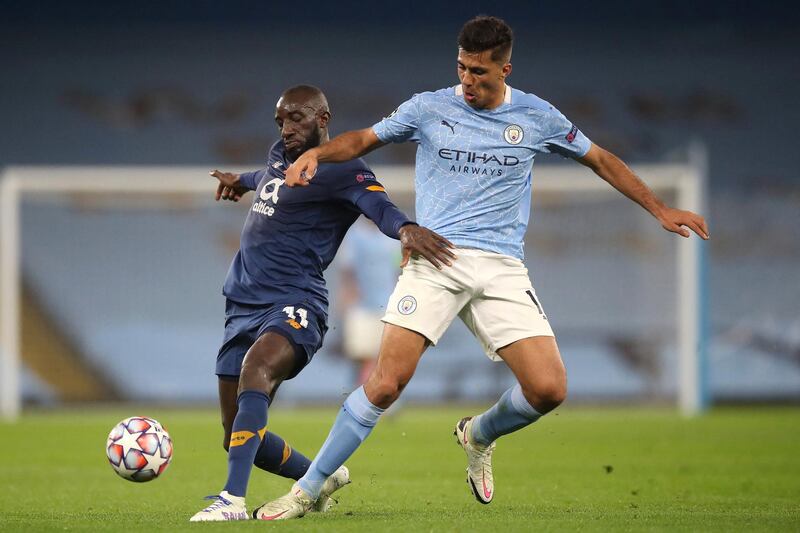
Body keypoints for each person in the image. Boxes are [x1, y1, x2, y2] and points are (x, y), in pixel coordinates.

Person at [255, 16, 709, 520]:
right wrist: (317, 153)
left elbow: (600, 159)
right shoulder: (429, 107)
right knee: (385, 383)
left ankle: (478, 434)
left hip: (501, 269)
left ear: (505, 68)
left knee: (548, 389)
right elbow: (364, 138)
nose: (468, 81)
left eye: (480, 73)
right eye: (462, 69)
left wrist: (660, 208)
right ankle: (307, 491)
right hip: (436, 260)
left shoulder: (537, 116)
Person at [189, 85, 454, 522]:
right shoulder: (281, 154)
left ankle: (231, 501)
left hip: (295, 303)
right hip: (241, 305)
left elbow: (378, 205)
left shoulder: (344, 168)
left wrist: (405, 228)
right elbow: (267, 177)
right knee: (234, 431)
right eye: (281, 121)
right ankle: (320, 476)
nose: (287, 129)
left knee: (256, 372)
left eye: (297, 119)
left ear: (323, 118)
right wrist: (242, 181)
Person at [336, 217, 402, 385]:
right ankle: (363, 397)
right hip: (361, 306)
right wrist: (346, 299)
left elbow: (398, 269)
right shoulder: (354, 235)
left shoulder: (392, 236)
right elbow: (347, 270)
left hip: (388, 305)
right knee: (362, 356)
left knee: (385, 356)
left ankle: (376, 398)